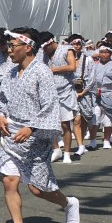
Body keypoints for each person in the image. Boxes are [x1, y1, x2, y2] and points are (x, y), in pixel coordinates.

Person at [0, 28, 81, 223]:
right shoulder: (10, 72)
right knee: (9, 181)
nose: (10, 50)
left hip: (34, 137)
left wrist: (32, 128)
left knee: (37, 189)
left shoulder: (42, 72)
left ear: (28, 47)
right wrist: (1, 116)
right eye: (9, 46)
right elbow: (1, 99)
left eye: (14, 45)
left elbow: (50, 105)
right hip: (11, 135)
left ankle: (68, 203)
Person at [37, 32, 78, 164]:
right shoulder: (42, 54)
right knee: (50, 124)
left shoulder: (67, 49)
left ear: (51, 42)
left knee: (65, 124)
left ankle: (67, 152)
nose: (45, 50)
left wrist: (53, 70)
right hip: (49, 92)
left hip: (65, 91)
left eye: (46, 47)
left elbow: (72, 66)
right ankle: (56, 149)